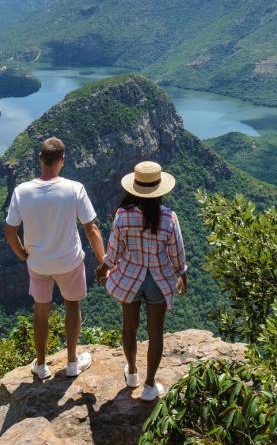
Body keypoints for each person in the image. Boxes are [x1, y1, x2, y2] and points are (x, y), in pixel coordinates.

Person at [4, 136, 106, 380]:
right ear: (62, 160)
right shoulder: (74, 188)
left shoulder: (21, 191)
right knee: (72, 307)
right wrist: (104, 261)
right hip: (69, 262)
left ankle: (40, 365)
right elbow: (91, 229)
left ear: (40, 159)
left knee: (41, 313)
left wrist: (22, 254)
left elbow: (10, 231)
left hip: (37, 263)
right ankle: (72, 362)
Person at [96, 160, 187, 401]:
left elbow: (114, 252)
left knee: (129, 327)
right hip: (158, 280)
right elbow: (177, 253)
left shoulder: (122, 216)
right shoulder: (169, 218)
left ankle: (133, 373)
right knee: (155, 332)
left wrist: (102, 269)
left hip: (129, 278)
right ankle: (149, 385)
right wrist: (181, 274)